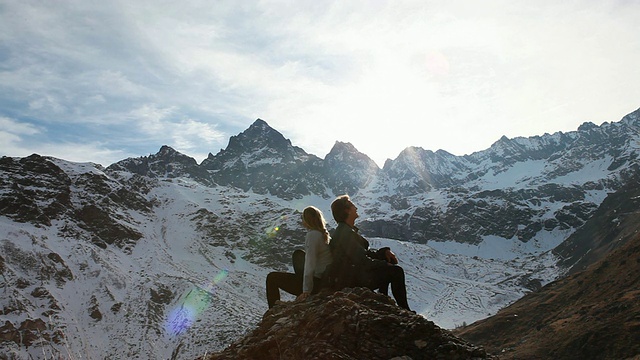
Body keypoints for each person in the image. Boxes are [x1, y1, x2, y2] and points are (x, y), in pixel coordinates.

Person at [329, 194, 411, 310]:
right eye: (352, 205)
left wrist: (383, 252)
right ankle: (404, 309)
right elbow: (362, 261)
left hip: (353, 275)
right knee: (396, 271)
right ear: (346, 210)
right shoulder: (345, 234)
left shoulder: (345, 231)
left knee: (386, 262)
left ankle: (384, 301)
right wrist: (385, 264)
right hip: (353, 279)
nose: (356, 208)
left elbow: (362, 253)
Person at [265, 206, 333, 308]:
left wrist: (306, 291)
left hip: (316, 284)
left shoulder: (313, 235)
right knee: (298, 254)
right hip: (322, 280)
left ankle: (273, 310)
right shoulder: (322, 235)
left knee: (272, 278)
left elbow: (310, 264)